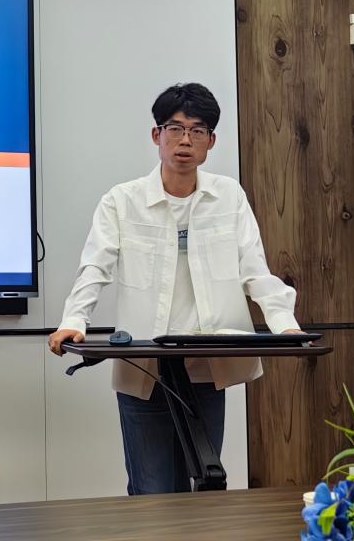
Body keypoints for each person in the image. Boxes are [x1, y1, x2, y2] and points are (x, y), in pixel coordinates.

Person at [47, 82, 302, 495]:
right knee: (152, 491)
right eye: (175, 129)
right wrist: (74, 321)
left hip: (208, 365)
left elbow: (254, 268)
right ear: (157, 135)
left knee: (206, 488)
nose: (185, 140)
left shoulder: (228, 197)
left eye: (198, 131)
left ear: (211, 142)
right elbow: (96, 265)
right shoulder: (122, 200)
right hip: (145, 367)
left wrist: (284, 324)